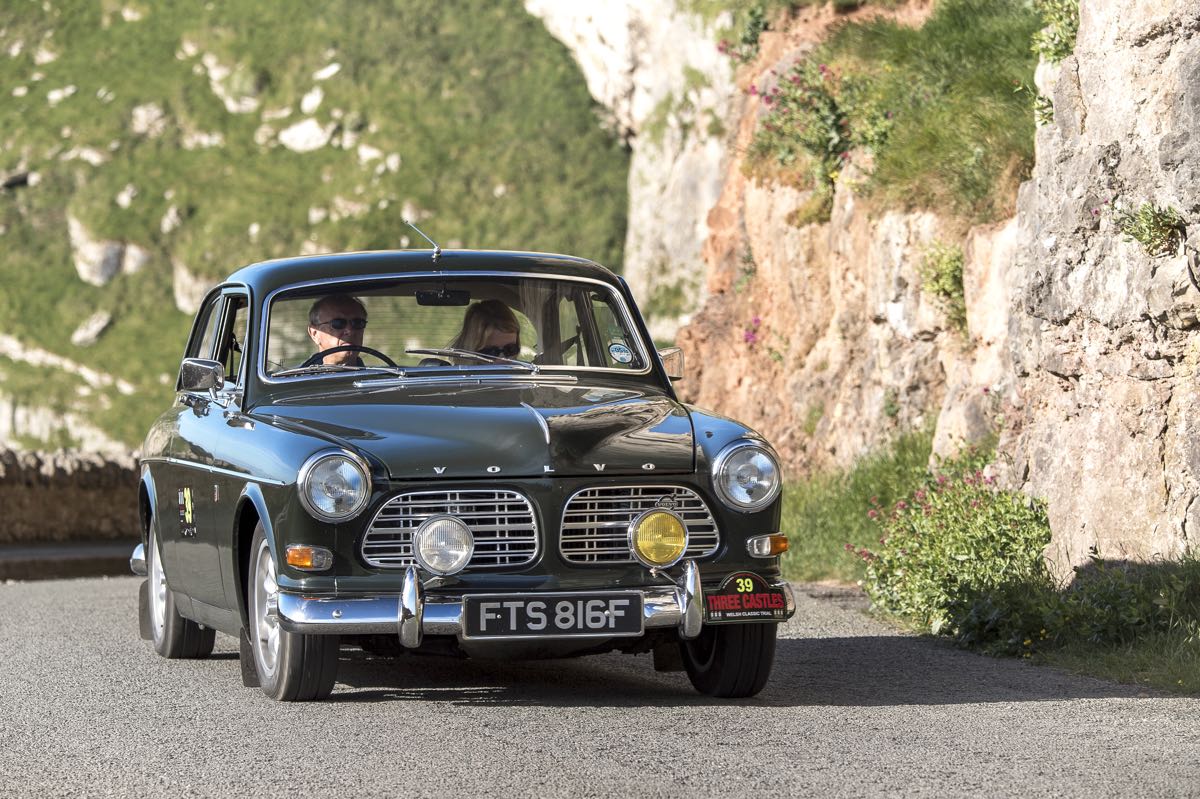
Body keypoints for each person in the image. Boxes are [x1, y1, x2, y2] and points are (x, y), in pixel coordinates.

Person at [448, 299, 521, 360]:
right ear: (470, 350)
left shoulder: (524, 371)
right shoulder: (455, 373)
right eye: (490, 353)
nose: (502, 359)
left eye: (510, 349)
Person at [307, 294, 368, 366]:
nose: (350, 331)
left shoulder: (377, 373)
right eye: (338, 323)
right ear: (314, 334)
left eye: (358, 323)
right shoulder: (298, 373)